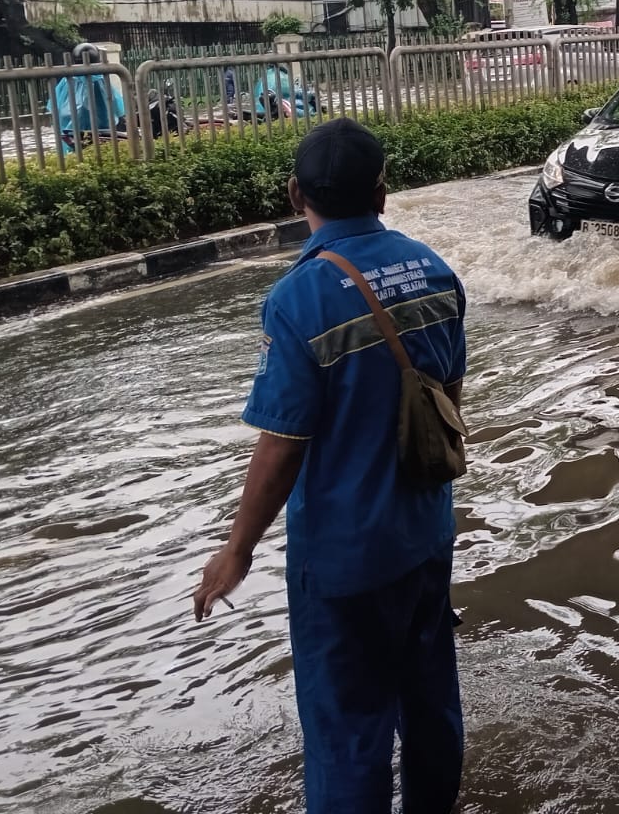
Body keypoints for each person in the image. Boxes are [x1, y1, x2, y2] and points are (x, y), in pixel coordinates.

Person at [193, 118, 468, 813]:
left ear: (295, 196)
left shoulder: (298, 301)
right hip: (427, 537)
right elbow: (449, 404)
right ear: (383, 190)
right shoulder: (435, 272)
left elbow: (283, 444)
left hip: (345, 560)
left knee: (349, 732)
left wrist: (237, 550)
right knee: (431, 704)